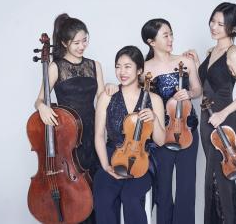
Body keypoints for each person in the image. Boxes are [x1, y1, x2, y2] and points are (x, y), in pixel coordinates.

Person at [184, 2, 236, 224]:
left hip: (224, 121)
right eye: (212, 21)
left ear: (233, 28)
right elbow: (203, 88)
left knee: (220, 178)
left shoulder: (233, 53)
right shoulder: (212, 51)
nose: (214, 27)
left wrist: (223, 114)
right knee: (215, 178)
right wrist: (196, 64)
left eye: (220, 24)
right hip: (208, 119)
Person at [34, 13, 105, 224]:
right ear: (65, 42)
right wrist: (42, 107)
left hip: (92, 131)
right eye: (76, 42)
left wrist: (109, 91)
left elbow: (101, 100)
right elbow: (39, 99)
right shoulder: (56, 67)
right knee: (73, 190)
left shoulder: (95, 65)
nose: (82, 46)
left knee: (95, 187)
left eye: (85, 40)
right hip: (67, 136)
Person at [93, 45, 166, 224]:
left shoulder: (154, 100)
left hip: (141, 161)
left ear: (139, 70)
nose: (121, 72)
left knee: (131, 199)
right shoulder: (107, 96)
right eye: (118, 66)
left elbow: (161, 141)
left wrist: (154, 119)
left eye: (127, 66)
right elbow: (99, 136)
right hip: (111, 156)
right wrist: (106, 166)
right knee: (104, 196)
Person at [141, 18, 202, 224]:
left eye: (171, 34)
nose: (171, 39)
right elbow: (136, 98)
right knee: (163, 188)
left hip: (187, 129)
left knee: (186, 187)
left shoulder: (185, 61)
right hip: (161, 135)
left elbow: (197, 89)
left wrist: (189, 93)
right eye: (165, 35)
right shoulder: (144, 68)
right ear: (151, 41)